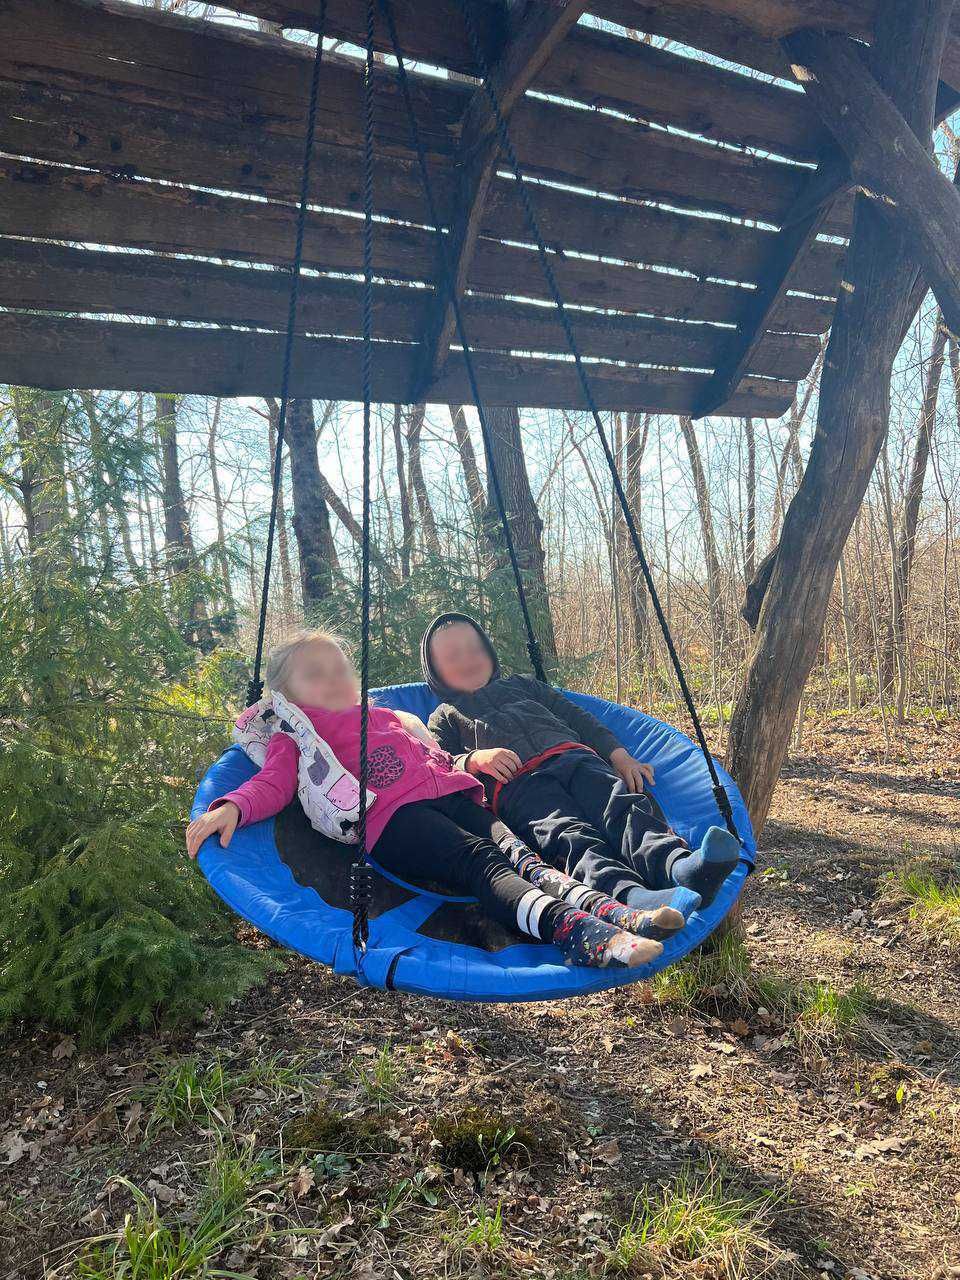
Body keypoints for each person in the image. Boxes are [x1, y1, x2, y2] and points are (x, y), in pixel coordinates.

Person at [186, 629, 677, 970]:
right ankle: (573, 931)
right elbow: (272, 783)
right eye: (316, 674)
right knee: (480, 863)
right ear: (285, 696)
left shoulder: (384, 715)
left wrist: (465, 765)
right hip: (393, 818)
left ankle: (613, 911)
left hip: (452, 795)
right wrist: (230, 806)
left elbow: (441, 755)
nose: (334, 678)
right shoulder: (299, 734)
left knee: (522, 854)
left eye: (339, 668)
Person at [420, 613, 741, 921]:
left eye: (475, 649)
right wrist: (474, 760)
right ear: (436, 672)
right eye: (453, 656)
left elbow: (579, 719)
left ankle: (678, 865)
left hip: (575, 756)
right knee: (566, 833)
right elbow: (441, 765)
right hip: (520, 786)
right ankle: (628, 896)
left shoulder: (524, 686)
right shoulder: (445, 716)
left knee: (621, 807)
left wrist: (619, 756)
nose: (468, 659)